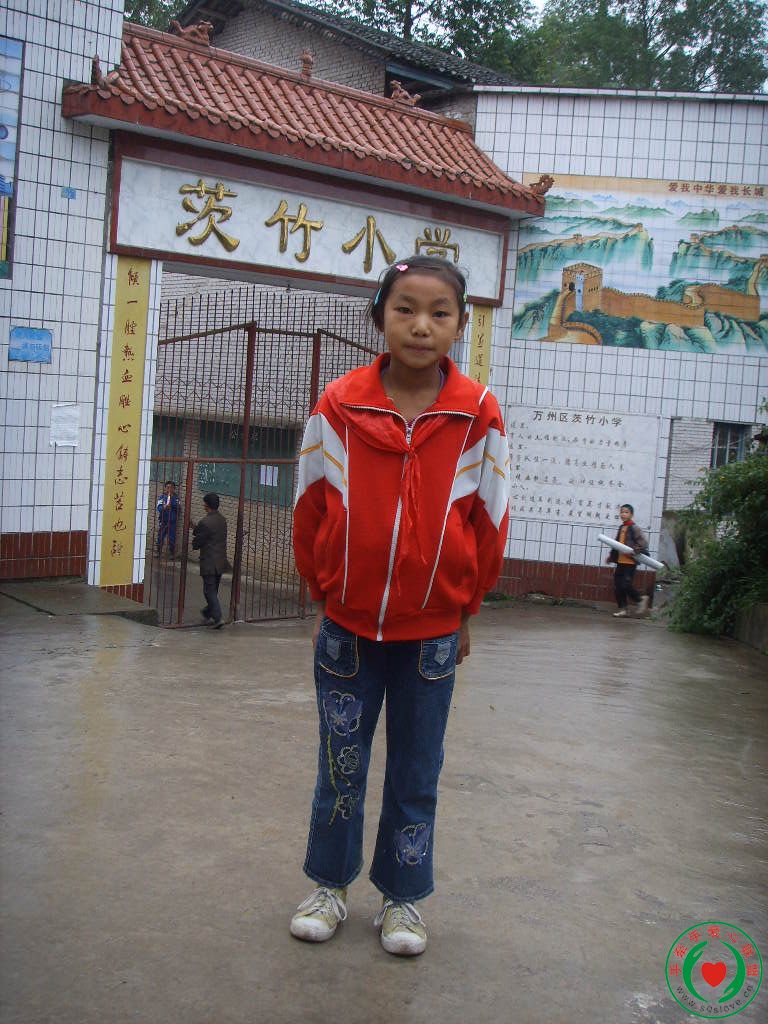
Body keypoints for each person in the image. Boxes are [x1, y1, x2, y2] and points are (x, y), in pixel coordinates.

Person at [290, 255, 510, 957]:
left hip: (432, 637)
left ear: (460, 324)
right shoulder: (338, 405)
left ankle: (403, 898)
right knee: (340, 768)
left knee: (417, 773)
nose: (421, 326)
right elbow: (310, 504)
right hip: (347, 630)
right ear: (379, 316)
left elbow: (491, 517)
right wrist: (323, 593)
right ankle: (329, 886)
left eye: (439, 313)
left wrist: (466, 610)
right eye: (405, 309)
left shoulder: (477, 413)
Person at [191, 492, 230, 629]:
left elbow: (198, 541)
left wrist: (194, 542)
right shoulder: (222, 520)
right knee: (213, 590)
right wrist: (196, 528)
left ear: (206, 505)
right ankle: (207, 613)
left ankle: (218, 618)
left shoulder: (205, 522)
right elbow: (208, 532)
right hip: (220, 561)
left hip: (209, 562)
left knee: (209, 591)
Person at [606, 503, 650, 618]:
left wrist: (633, 551)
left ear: (631, 514)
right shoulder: (622, 527)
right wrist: (611, 557)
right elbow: (616, 544)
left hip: (630, 562)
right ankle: (623, 609)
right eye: (622, 512)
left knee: (625, 585)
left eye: (626, 512)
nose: (623, 514)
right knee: (618, 586)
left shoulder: (634, 528)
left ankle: (640, 599)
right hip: (620, 562)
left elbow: (643, 544)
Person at [156, 480, 179, 557]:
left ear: (174, 489)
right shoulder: (162, 497)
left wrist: (171, 501)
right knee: (160, 537)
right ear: (165, 488)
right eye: (168, 487)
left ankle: (172, 553)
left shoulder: (176, 498)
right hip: (163, 520)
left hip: (172, 522)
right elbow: (159, 507)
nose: (169, 489)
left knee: (172, 538)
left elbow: (178, 507)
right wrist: (164, 507)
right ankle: (158, 551)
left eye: (171, 488)